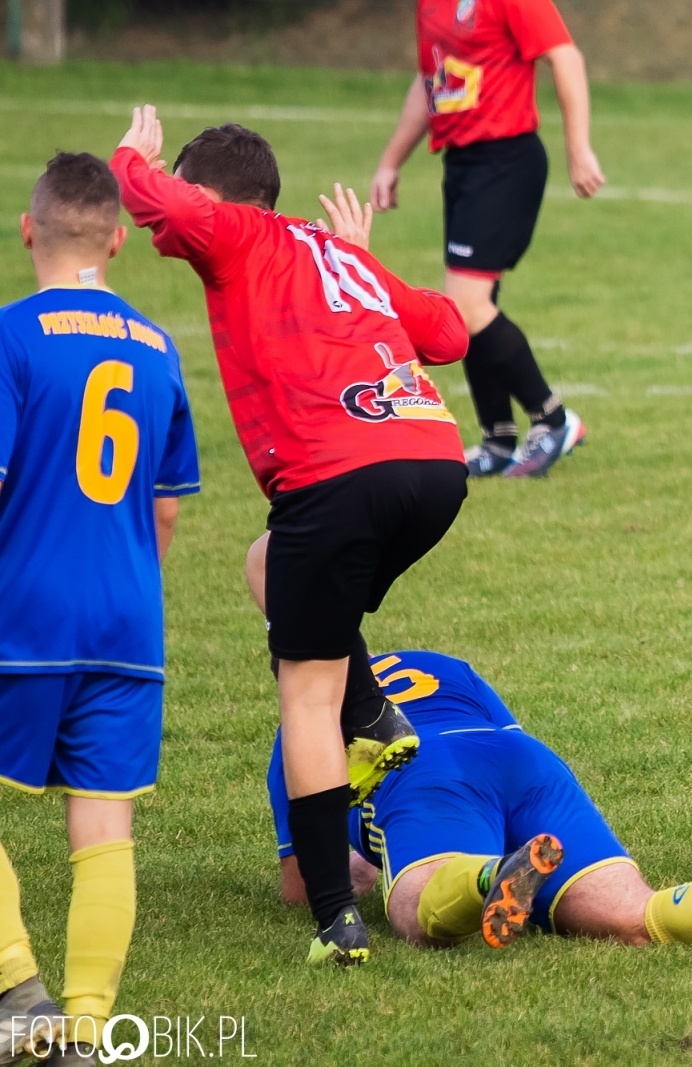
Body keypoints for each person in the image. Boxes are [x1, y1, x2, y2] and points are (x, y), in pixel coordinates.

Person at [111, 105, 470, 967]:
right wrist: (363, 256)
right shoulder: (331, 251)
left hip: (338, 476)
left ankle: (337, 920)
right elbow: (449, 334)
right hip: (433, 466)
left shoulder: (237, 232)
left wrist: (133, 156)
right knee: (268, 565)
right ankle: (374, 709)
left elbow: (161, 206)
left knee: (303, 691)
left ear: (222, 199)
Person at [262, 649, 692, 971]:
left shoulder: (306, 718)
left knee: (417, 916)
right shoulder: (440, 665)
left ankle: (484, 875)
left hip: (428, 774)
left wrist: (374, 859)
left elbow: (308, 885)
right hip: (523, 762)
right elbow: (504, 736)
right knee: (636, 915)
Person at [0, 152, 200, 1062]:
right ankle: (84, 1028)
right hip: (129, 616)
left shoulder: (11, 337)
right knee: (104, 823)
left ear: (29, 229)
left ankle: (17, 991)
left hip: (25, 609)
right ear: (119, 240)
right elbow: (164, 506)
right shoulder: (159, 348)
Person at [370, 0, 603, 478]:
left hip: (506, 160)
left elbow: (566, 56)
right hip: (461, 164)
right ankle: (497, 440)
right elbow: (429, 80)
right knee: (467, 307)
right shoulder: (429, 6)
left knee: (466, 306)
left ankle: (554, 419)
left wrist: (578, 149)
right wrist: (391, 160)